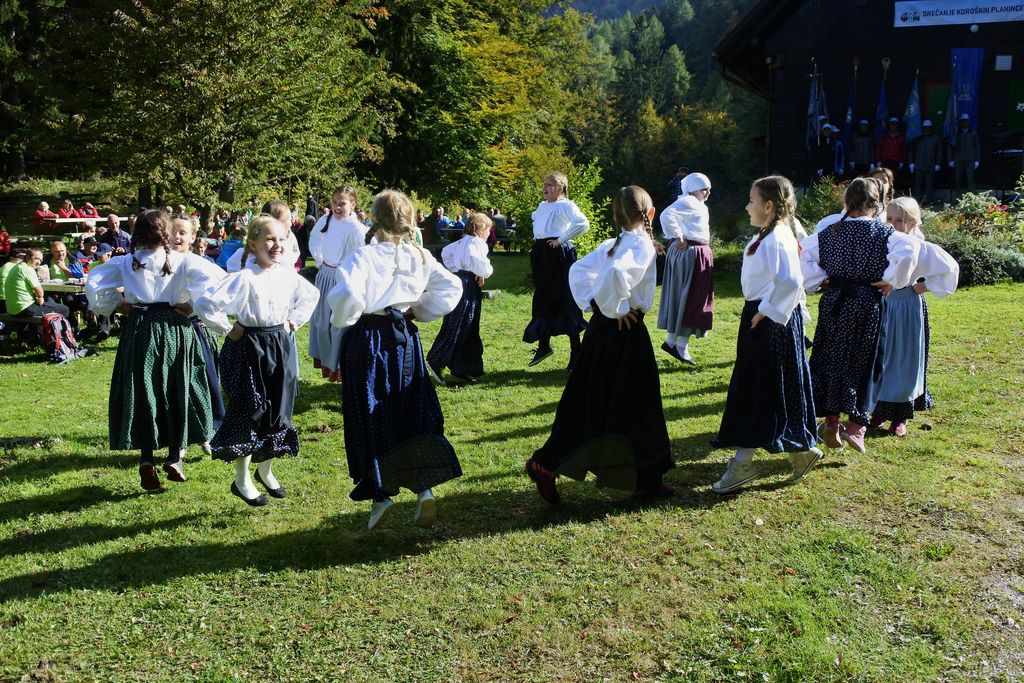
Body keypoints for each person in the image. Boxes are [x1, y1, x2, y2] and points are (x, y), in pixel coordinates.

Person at [526, 185, 674, 505]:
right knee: (633, 402)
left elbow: (579, 271)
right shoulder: (638, 245)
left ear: (617, 216)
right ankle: (549, 464)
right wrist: (616, 309)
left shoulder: (615, 243)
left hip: (603, 331)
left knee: (595, 400)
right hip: (624, 332)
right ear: (650, 213)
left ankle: (645, 477)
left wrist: (599, 305)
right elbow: (615, 275)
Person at [326, 190, 463, 530]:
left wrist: (348, 315)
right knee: (410, 406)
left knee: (370, 411)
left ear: (374, 219)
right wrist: (417, 310)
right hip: (404, 340)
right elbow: (451, 288)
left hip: (368, 340)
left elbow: (346, 294)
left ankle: (381, 494)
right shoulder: (420, 256)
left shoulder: (364, 256)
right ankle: (424, 489)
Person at [85, 210, 225, 490]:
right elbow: (219, 284)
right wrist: (194, 306)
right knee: (177, 388)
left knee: (144, 389)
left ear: (138, 234)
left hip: (140, 329)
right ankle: (174, 457)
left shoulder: (126, 262)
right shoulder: (185, 260)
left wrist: (118, 305)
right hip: (176, 329)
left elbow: (95, 286)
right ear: (167, 234)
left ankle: (146, 459)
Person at [194, 215, 319, 506]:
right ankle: (242, 479)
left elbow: (311, 295)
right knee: (251, 410)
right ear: (253, 244)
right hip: (249, 347)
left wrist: (292, 322)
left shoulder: (287, 275)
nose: (277, 245)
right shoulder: (245, 277)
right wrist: (227, 327)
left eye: (281, 239)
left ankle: (266, 470)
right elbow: (204, 302)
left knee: (278, 409)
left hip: (280, 344)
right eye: (269, 239)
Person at [712, 176, 822, 493]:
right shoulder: (769, 235)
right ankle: (801, 452)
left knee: (758, 388)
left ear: (769, 205)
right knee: (768, 387)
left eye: (752, 200)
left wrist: (766, 310)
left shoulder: (777, 239)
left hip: (771, 322)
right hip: (765, 317)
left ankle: (743, 463)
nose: (747, 206)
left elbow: (791, 282)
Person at [800, 177, 921, 454]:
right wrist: (893, 280)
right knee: (865, 359)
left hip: (835, 302)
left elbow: (803, 255)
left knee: (831, 356)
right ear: (877, 205)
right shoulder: (886, 234)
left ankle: (831, 421)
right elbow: (909, 250)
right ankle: (856, 427)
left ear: (846, 203)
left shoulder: (828, 232)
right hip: (868, 303)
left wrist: (820, 279)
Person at [868, 198, 958, 436]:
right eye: (889, 219)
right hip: (882, 305)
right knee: (882, 357)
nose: (893, 224)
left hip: (907, 306)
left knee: (905, 359)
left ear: (913, 223)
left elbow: (950, 269)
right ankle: (879, 410)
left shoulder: (920, 247)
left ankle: (901, 417)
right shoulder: (880, 242)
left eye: (900, 220)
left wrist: (923, 286)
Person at [522, 171, 590, 369]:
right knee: (543, 297)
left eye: (550, 184)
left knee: (564, 298)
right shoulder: (542, 205)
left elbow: (583, 223)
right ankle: (544, 345)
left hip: (558, 254)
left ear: (561, 188)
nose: (545, 187)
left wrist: (561, 240)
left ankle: (576, 351)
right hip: (542, 253)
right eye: (544, 184)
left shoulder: (566, 205)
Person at [170, 214, 224, 448]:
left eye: (182, 232)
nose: (177, 237)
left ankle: (210, 427)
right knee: (175, 383)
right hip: (167, 329)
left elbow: (220, 288)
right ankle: (179, 434)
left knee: (204, 378)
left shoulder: (200, 264)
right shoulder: (157, 261)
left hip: (193, 327)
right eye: (172, 232)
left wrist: (196, 306)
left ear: (193, 237)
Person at [426, 212, 494, 385]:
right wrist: (481, 272)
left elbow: (446, 253)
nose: (489, 234)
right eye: (488, 230)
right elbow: (482, 265)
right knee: (462, 324)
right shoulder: (478, 243)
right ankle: (437, 359)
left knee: (461, 323)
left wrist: (457, 269)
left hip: (460, 280)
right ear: (479, 229)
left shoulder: (462, 242)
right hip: (468, 285)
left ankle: (461, 368)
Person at [307, 186, 367, 382]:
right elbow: (315, 241)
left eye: (342, 203)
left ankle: (342, 367)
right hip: (326, 275)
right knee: (322, 323)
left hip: (343, 280)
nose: (337, 207)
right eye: (334, 203)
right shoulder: (326, 220)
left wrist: (346, 273)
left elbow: (360, 256)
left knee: (339, 325)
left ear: (353, 204)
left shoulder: (357, 229)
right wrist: (320, 262)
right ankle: (328, 364)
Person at [656, 172, 714, 365]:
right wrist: (678, 236)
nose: (707, 192)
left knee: (690, 299)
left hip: (695, 253)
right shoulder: (689, 201)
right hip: (690, 254)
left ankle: (674, 343)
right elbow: (666, 215)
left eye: (709, 189)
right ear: (693, 189)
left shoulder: (697, 204)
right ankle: (678, 345)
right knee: (689, 298)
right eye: (704, 189)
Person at [3, 249, 71, 321]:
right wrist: (40, 298)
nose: (39, 262)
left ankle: (39, 328)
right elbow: (39, 292)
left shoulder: (18, 267)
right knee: (65, 309)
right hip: (24, 309)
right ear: (28, 257)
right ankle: (60, 328)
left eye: (40, 260)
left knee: (49, 299)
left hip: (12, 310)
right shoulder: (28, 269)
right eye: (36, 258)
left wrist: (40, 298)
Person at [908, 120, 943, 204]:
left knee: (929, 184)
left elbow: (939, 151)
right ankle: (916, 202)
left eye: (928, 127)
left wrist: (938, 163)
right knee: (917, 184)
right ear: (923, 128)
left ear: (931, 128)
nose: (927, 129)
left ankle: (928, 202)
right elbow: (911, 150)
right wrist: (911, 162)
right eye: (925, 128)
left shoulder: (936, 138)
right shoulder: (917, 138)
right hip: (918, 165)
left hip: (930, 165)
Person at [949, 113, 980, 195]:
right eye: (963, 121)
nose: (965, 123)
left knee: (970, 179)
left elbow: (977, 147)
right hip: (958, 160)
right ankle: (958, 197)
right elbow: (951, 147)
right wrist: (950, 159)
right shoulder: (956, 133)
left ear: (969, 122)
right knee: (958, 179)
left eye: (966, 121)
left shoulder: (973, 133)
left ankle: (972, 198)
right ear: (960, 122)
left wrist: (977, 160)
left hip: (970, 160)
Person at [875, 117, 907, 182]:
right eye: (892, 124)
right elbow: (879, 149)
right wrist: (878, 161)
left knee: (895, 181)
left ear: (897, 125)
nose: (893, 126)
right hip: (885, 162)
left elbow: (904, 150)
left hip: (896, 163)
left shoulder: (902, 137)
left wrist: (902, 162)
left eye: (895, 124)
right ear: (889, 125)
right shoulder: (884, 137)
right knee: (885, 180)